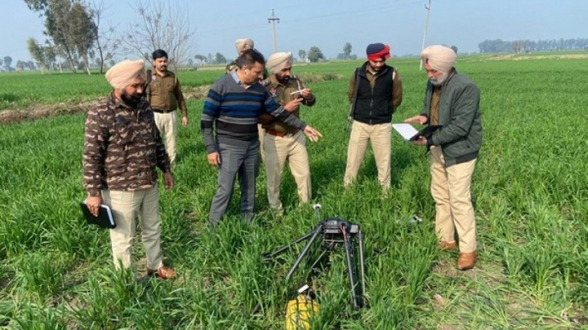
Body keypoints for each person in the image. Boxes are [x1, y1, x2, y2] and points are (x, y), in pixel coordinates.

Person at [201, 49, 322, 226]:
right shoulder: (221, 86)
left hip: (251, 145)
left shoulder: (259, 90)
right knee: (225, 189)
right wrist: (211, 149)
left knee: (249, 188)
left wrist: (303, 126)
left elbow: (278, 112)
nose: (260, 77)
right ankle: (213, 227)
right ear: (244, 69)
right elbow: (206, 120)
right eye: (257, 72)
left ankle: (247, 222)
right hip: (229, 146)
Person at [83, 59, 176, 279]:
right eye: (134, 86)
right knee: (124, 237)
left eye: (141, 85)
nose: (140, 90)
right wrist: (94, 193)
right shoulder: (101, 113)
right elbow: (91, 155)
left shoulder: (143, 106)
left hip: (148, 181)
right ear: (119, 85)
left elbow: (156, 139)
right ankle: (126, 280)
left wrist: (165, 168)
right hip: (120, 187)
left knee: (153, 227)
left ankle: (155, 265)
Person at [404, 45, 483, 270]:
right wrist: (423, 116)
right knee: (440, 194)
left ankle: (468, 249)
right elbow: (431, 108)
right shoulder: (434, 83)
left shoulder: (466, 88)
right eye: (428, 71)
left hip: (460, 150)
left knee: (459, 199)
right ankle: (445, 239)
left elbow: (460, 127)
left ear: (445, 68)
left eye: (433, 71)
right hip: (438, 146)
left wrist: (429, 141)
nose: (429, 75)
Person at [343, 43, 403, 194]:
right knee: (353, 161)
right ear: (368, 58)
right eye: (375, 61)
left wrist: (385, 111)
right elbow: (351, 95)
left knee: (383, 163)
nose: (378, 64)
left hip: (382, 126)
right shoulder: (358, 73)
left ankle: (385, 194)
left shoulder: (392, 74)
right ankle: (348, 192)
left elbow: (397, 98)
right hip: (360, 124)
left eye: (381, 61)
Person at [260, 52, 316, 212]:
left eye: (289, 69)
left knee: (304, 175)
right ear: (275, 69)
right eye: (284, 70)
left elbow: (310, 102)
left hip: (296, 136)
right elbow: (261, 118)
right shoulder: (265, 87)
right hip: (275, 139)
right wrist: (286, 109)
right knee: (274, 178)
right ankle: (275, 210)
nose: (288, 73)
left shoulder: (295, 81)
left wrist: (309, 96)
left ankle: (305, 207)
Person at [147, 49, 189, 165]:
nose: (163, 64)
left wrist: (184, 115)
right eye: (160, 61)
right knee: (154, 140)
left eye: (165, 61)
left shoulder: (172, 77)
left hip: (171, 114)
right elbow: (145, 98)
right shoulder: (149, 77)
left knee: (171, 140)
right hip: (155, 114)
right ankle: (155, 164)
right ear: (154, 62)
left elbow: (180, 98)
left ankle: (172, 163)